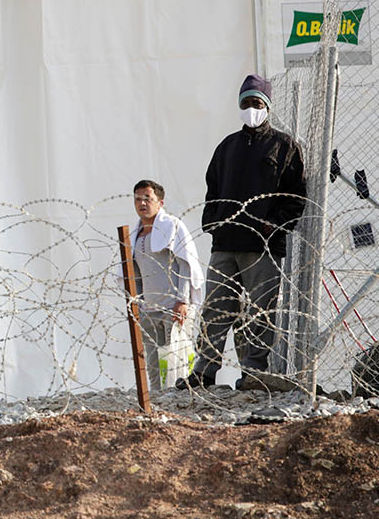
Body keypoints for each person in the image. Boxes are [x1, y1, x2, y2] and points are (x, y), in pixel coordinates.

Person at [177, 74, 307, 390]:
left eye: (257, 103)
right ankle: (204, 372)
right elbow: (213, 189)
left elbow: (296, 196)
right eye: (246, 103)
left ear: (267, 107)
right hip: (226, 243)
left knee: (261, 312)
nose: (251, 108)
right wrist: (213, 222)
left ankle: (253, 372)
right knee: (215, 309)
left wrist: (274, 223)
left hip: (262, 245)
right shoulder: (227, 147)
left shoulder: (284, 146)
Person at [130, 180, 204, 390]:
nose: (142, 203)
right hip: (149, 309)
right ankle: (157, 397)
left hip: (173, 308)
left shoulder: (171, 226)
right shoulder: (135, 236)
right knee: (153, 360)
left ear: (160, 203)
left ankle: (182, 395)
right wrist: (137, 303)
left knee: (178, 355)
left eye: (147, 198)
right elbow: (134, 274)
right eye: (137, 199)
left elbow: (185, 264)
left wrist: (182, 300)